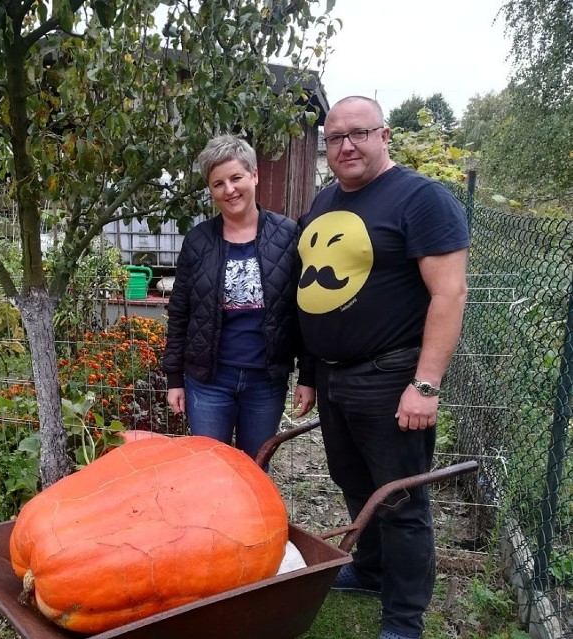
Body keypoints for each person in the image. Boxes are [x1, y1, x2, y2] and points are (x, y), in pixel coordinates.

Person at [296, 96, 470, 639]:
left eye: (358, 133)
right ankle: (369, 571)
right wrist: (308, 374)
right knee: (352, 481)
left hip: (391, 375)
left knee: (399, 500)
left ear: (384, 135)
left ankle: (403, 617)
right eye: (335, 137)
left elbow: (449, 294)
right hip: (333, 375)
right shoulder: (324, 201)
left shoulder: (422, 199)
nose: (345, 145)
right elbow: (309, 294)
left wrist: (425, 384)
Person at [163, 134, 315, 462]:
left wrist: (308, 375)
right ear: (211, 190)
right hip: (209, 382)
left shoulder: (288, 235)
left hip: (266, 381)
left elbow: (303, 310)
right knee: (208, 467)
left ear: (254, 175)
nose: (229, 190)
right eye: (218, 183)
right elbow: (180, 313)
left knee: (255, 468)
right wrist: (174, 379)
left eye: (236, 178)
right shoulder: (198, 241)